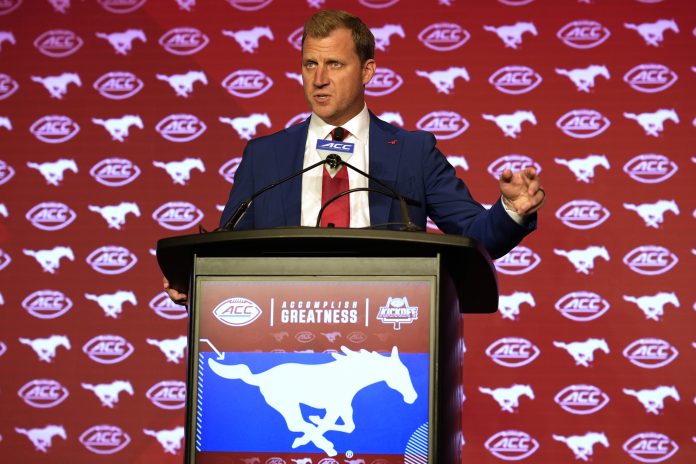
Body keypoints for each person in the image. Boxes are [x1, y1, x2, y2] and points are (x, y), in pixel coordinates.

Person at [163, 9, 545, 304]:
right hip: (280, 325)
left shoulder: (413, 153)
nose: (319, 79)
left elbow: (474, 235)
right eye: (310, 64)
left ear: (367, 72)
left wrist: (512, 209)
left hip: (389, 324)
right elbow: (231, 250)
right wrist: (195, 280)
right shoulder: (265, 156)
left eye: (334, 64)